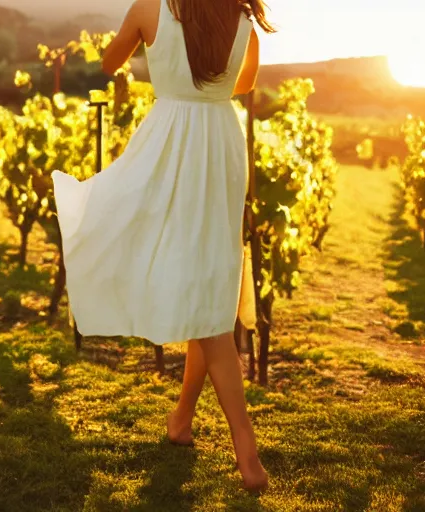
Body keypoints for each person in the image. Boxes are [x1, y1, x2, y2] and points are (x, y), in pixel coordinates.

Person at [52, 0, 275, 492]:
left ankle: (247, 449)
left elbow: (108, 64)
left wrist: (163, 71)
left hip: (169, 138)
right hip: (219, 142)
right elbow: (244, 83)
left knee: (205, 292)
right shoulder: (243, 21)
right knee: (209, 284)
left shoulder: (148, 9)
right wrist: (203, 83)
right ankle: (181, 419)